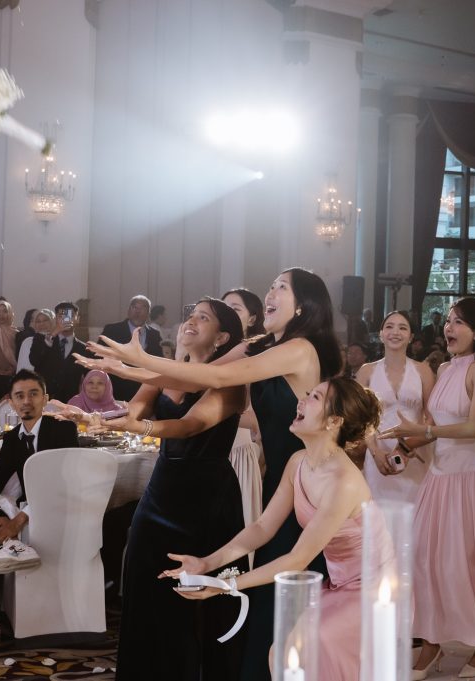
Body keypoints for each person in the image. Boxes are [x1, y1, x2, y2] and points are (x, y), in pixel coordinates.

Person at [87, 267, 341, 681]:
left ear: (303, 307)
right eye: (271, 285)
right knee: (268, 612)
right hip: (283, 484)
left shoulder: (300, 349)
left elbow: (217, 378)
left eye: (282, 287)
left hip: (309, 486)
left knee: (283, 613)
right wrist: (129, 370)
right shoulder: (263, 346)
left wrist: (137, 360)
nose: (270, 292)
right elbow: (195, 378)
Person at [162, 377, 382, 681]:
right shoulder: (298, 462)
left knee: (292, 652)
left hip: (372, 587)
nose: (301, 401)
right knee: (284, 654)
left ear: (334, 421)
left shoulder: (343, 482)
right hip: (339, 582)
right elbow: (263, 527)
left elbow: (297, 560)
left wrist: (226, 585)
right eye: (308, 394)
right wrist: (206, 564)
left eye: (315, 398)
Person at [85, 299, 247, 681]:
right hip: (161, 491)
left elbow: (189, 426)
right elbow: (131, 411)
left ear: (222, 337)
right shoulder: (164, 374)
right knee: (145, 582)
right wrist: (94, 417)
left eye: (203, 318)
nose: (191, 321)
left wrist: (138, 428)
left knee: (202, 594)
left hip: (207, 497)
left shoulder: (231, 384)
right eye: (190, 315)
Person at [380, 297, 475, 679]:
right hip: (438, 478)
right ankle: (431, 640)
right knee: (425, 560)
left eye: (459, 322)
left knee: (468, 564)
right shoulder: (446, 367)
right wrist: (402, 449)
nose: (449, 328)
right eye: (449, 321)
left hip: (471, 479)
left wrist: (423, 430)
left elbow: (472, 428)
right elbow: (433, 427)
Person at [0, 370, 79, 650]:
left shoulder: (62, 430)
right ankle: (10, 547)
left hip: (60, 508)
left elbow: (60, 484)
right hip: (30, 507)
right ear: (10, 402)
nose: (27, 401)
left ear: (45, 399)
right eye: (19, 396)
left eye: (33, 394)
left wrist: (18, 521)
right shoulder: (12, 439)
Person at [357, 310, 434, 505]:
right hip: (378, 452)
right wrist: (375, 452)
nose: (395, 332)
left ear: (411, 336)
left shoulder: (423, 370)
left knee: (415, 514)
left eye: (402, 328)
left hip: (415, 452)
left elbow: (432, 418)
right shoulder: (366, 371)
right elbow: (360, 419)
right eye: (389, 327)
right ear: (381, 334)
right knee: (379, 515)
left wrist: (407, 447)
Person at [222, 288, 267, 531]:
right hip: (204, 450)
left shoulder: (256, 355)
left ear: (252, 319)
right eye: (223, 308)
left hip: (237, 452)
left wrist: (213, 415)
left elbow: (258, 417)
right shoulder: (209, 352)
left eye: (235, 309)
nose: (227, 313)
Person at [101, 295, 165, 401]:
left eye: (142, 308)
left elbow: (159, 362)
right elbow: (100, 356)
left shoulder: (155, 335)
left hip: (145, 391)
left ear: (148, 313)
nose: (137, 311)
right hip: (117, 389)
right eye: (134, 307)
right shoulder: (112, 330)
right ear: (128, 310)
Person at [30, 301, 91, 403]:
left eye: (70, 315)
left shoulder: (84, 349)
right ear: (55, 319)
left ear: (78, 319)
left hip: (70, 402)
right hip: (44, 399)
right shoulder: (41, 339)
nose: (66, 319)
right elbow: (34, 360)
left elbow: (89, 378)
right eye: (61, 316)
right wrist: (52, 335)